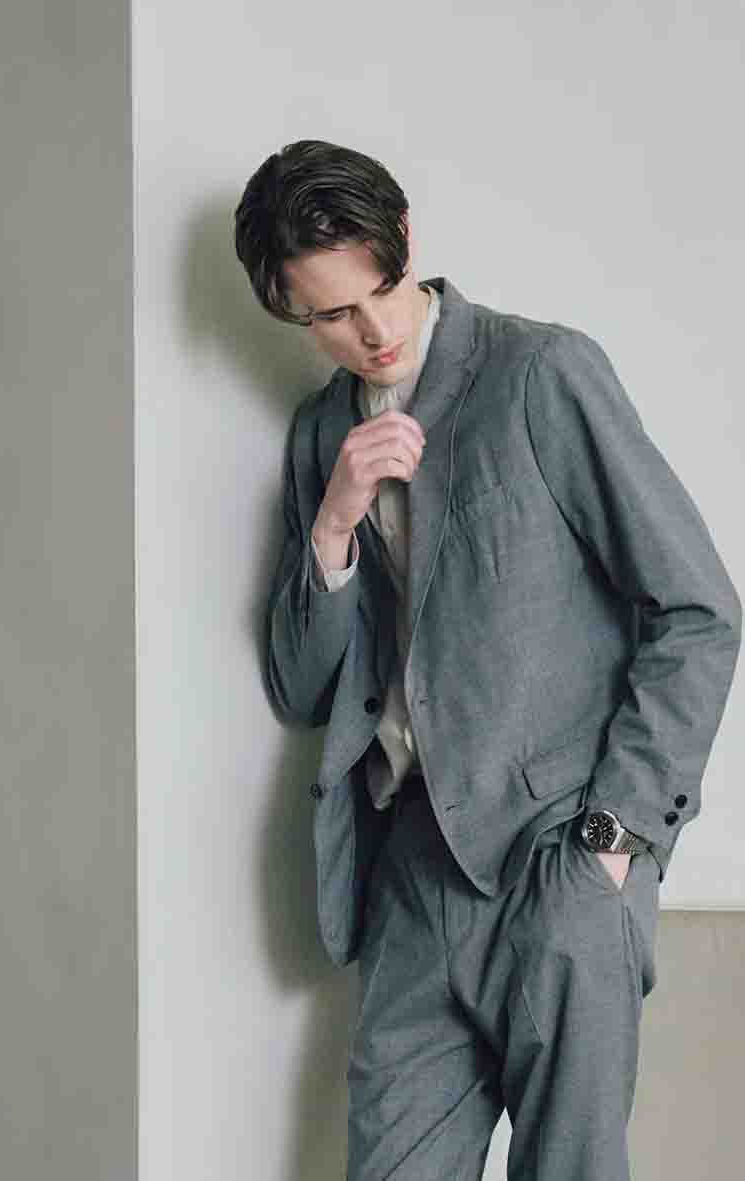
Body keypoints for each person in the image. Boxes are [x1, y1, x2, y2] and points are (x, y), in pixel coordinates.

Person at [233, 139, 742, 1180]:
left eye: (379, 291)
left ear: (405, 239)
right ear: (288, 310)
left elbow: (697, 609)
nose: (371, 332)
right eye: (330, 315)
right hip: (409, 867)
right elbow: (300, 685)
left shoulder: (538, 372)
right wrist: (333, 521)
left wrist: (611, 839)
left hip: (557, 850)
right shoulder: (320, 436)